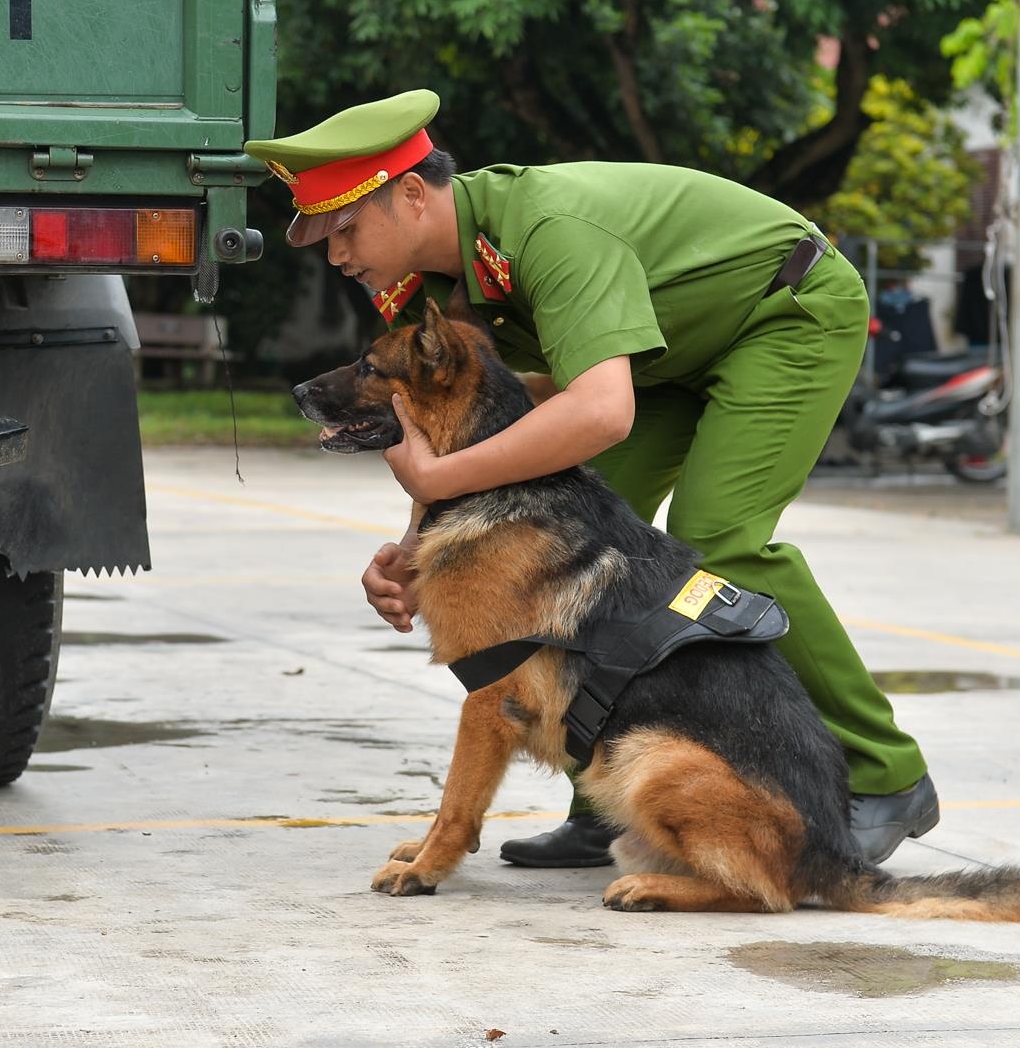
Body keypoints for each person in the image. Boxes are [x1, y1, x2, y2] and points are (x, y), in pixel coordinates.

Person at [245, 89, 940, 867]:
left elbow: (601, 412)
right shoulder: (439, 285)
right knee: (584, 538)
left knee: (716, 539)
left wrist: (440, 476)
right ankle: (607, 804)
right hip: (665, 355)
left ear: (411, 194)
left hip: (781, 310)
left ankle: (890, 775)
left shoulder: (546, 231)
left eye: (344, 227)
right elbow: (484, 420)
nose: (336, 253)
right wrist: (417, 550)